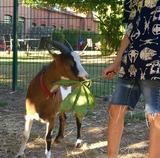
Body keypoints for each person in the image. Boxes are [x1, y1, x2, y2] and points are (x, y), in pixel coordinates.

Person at [103, 0, 160, 157]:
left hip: (155, 61)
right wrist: (116, 62)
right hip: (130, 62)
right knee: (115, 109)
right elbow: (130, 30)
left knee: (154, 116)